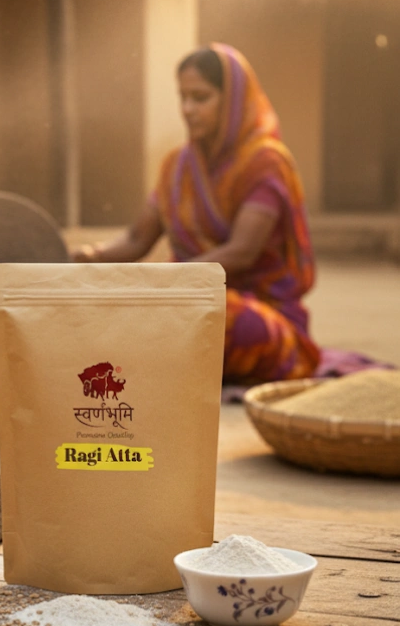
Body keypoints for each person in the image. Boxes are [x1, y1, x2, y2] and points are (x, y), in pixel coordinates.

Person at [73, 43, 321, 384]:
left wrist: (162, 286)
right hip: (183, 300)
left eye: (200, 98)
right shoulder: (177, 167)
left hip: (257, 309)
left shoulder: (265, 163)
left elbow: (241, 252)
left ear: (233, 100)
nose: (188, 109)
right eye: (183, 97)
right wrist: (87, 258)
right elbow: (136, 238)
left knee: (228, 323)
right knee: (113, 314)